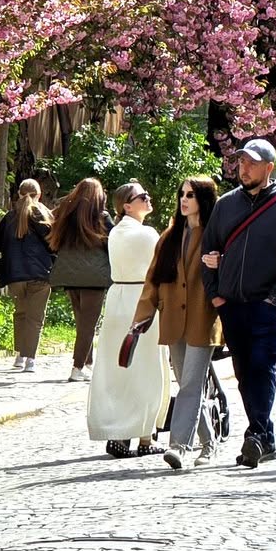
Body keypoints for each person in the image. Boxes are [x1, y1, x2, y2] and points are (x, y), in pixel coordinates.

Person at [200, 138, 276, 469]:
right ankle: (264, 437)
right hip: (232, 304)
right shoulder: (226, 205)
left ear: (269, 168)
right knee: (245, 372)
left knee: (262, 366)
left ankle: (256, 435)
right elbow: (207, 252)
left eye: (252, 163)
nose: (244, 168)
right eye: (242, 162)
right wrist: (216, 293)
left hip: (267, 305)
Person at [134, 176, 220, 470]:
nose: (184, 200)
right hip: (173, 320)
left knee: (191, 385)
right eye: (181, 194)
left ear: (203, 199)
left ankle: (179, 447)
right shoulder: (169, 237)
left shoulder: (214, 236)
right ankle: (210, 444)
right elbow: (152, 281)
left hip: (202, 319)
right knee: (187, 385)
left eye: (191, 195)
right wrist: (142, 318)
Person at [87, 183, 169, 459]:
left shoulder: (116, 233)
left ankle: (133, 433)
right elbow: (164, 263)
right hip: (142, 300)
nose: (148, 198)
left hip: (118, 298)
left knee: (120, 366)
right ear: (127, 205)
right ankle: (139, 433)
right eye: (142, 197)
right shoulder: (146, 234)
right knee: (146, 367)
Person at [47, 178, 113, 383]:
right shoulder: (101, 217)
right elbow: (114, 242)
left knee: (82, 323)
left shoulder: (66, 215)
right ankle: (77, 368)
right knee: (88, 324)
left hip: (70, 275)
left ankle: (87, 363)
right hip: (95, 276)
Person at [0, 179, 53, 374]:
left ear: (18, 194)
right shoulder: (43, 215)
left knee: (21, 314)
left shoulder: (10, 216)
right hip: (40, 274)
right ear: (39, 195)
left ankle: (19, 356)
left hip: (15, 274)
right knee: (35, 318)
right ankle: (30, 360)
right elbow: (53, 242)